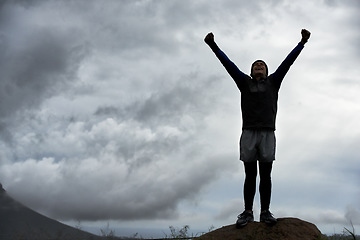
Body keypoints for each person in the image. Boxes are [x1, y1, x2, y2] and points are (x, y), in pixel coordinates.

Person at [204, 29, 311, 228]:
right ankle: (247, 212)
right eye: (255, 65)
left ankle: (265, 212)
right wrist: (213, 45)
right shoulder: (244, 83)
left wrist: (302, 42)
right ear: (251, 71)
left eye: (262, 65)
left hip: (268, 132)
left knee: (266, 174)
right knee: (250, 174)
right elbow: (228, 65)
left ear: (267, 71)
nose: (258, 66)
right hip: (249, 132)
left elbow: (288, 62)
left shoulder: (274, 82)